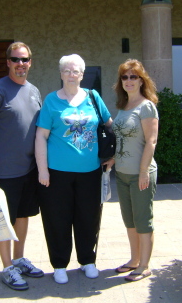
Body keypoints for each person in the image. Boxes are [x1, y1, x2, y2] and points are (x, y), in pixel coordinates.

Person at [35, 54, 113, 284]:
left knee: (89, 217)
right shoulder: (51, 101)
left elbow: (110, 126)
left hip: (90, 171)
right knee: (56, 218)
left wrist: (115, 156)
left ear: (82, 74)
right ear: (61, 74)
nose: (71, 74)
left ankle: (87, 260)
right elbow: (41, 135)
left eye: (75, 71)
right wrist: (42, 170)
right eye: (67, 70)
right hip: (57, 172)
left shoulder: (93, 97)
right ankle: (59, 264)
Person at [0, 41, 44, 291]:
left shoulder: (34, 91)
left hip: (29, 169)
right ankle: (7, 267)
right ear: (8, 62)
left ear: (30, 62)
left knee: (23, 215)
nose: (20, 64)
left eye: (25, 59)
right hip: (4, 171)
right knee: (3, 220)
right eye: (15, 59)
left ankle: (18, 259)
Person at [103, 58, 158, 282]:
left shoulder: (147, 106)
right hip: (123, 174)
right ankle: (134, 260)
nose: (128, 80)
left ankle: (144, 265)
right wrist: (113, 160)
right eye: (124, 77)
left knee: (143, 221)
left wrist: (144, 171)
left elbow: (151, 141)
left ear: (141, 80)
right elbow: (123, 140)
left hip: (140, 174)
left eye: (133, 76)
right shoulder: (124, 107)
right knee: (130, 221)